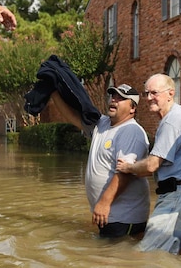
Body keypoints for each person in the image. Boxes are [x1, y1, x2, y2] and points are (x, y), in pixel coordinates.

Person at [45, 82, 150, 238]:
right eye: (113, 96)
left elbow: (125, 172)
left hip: (125, 218)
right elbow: (74, 117)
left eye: (121, 98)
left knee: (117, 259)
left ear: (132, 108)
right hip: (109, 216)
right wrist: (53, 93)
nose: (114, 100)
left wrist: (104, 203)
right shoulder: (102, 124)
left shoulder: (132, 131)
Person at [115, 74, 181, 254]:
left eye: (154, 93)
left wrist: (128, 167)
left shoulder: (172, 121)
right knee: (173, 256)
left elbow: (151, 165)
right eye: (146, 93)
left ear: (170, 93)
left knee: (146, 256)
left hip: (179, 197)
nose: (148, 98)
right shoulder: (177, 116)